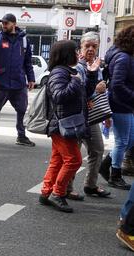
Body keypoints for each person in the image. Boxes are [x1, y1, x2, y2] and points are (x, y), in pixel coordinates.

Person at [39, 40, 99, 213]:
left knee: (58, 160)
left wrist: (92, 74)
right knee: (74, 160)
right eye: (75, 51)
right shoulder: (59, 72)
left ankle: (46, 192)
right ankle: (57, 193)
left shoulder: (69, 71)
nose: (78, 54)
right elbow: (59, 96)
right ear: (66, 54)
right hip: (62, 125)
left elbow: (86, 93)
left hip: (66, 123)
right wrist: (75, 82)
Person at [66, 32, 111, 200]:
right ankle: (67, 188)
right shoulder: (77, 66)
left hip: (92, 116)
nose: (91, 49)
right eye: (87, 46)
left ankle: (90, 185)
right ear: (81, 48)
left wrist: (107, 114)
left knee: (97, 149)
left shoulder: (97, 66)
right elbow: (76, 94)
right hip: (77, 117)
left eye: (94, 46)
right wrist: (94, 92)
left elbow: (100, 93)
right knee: (74, 154)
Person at [0, 13, 36, 147]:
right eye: (2, 23)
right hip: (2, 82)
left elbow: (28, 62)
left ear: (14, 24)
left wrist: (31, 78)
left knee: (22, 110)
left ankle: (21, 136)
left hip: (19, 83)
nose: (3, 25)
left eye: (6, 23)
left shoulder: (24, 40)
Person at [100, 25, 134, 190]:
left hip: (124, 104)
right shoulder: (123, 58)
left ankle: (106, 165)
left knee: (129, 140)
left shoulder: (124, 55)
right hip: (121, 104)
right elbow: (118, 84)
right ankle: (115, 174)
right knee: (122, 141)